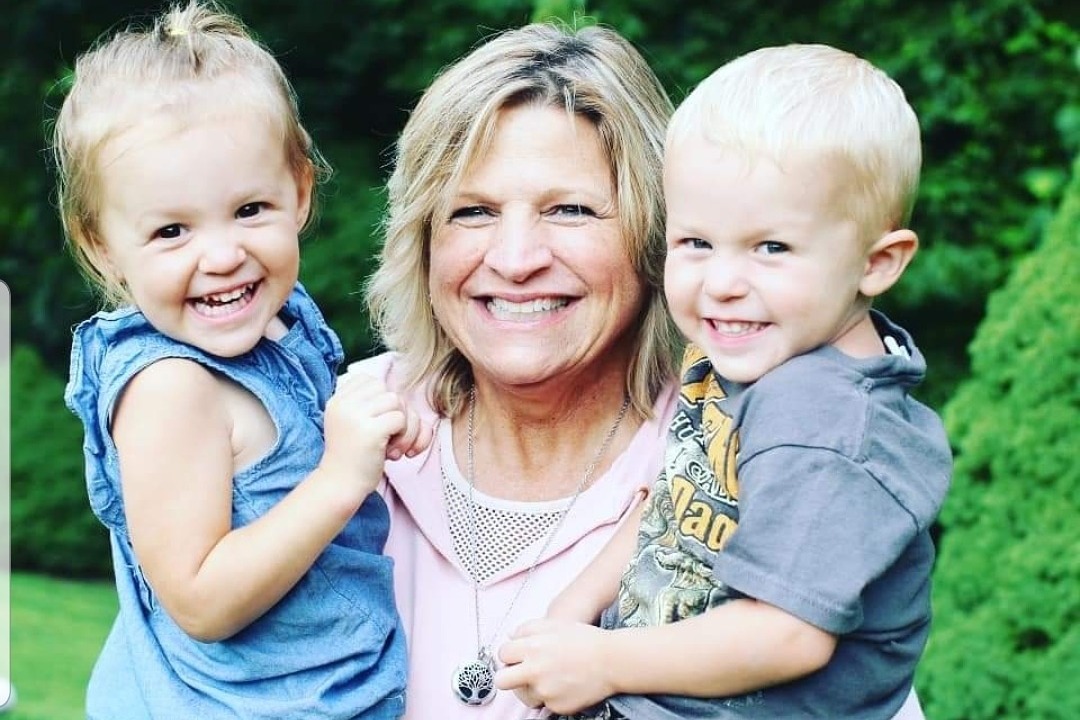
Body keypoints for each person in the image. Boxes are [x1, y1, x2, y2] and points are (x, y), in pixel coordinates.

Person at [496, 43, 952, 719]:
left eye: (772, 248)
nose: (723, 283)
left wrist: (601, 661)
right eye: (697, 243)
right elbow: (676, 504)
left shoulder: (824, 427)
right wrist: (571, 612)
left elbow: (785, 636)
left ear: (877, 262)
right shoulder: (749, 356)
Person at [55, 2, 424, 717]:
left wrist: (369, 432)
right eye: (172, 230)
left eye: (250, 210)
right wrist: (340, 477)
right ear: (101, 245)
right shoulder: (171, 387)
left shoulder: (281, 327)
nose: (223, 255)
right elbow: (200, 600)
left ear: (300, 191)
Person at [355, 22, 681, 720]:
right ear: (424, 242)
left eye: (570, 210)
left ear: (654, 234)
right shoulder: (343, 424)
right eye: (473, 212)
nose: (515, 259)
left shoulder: (733, 462)